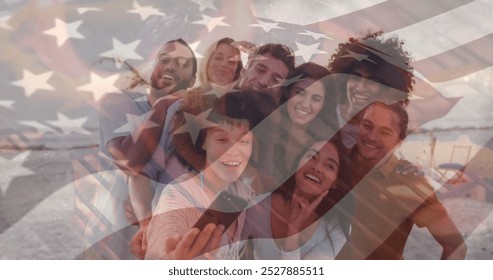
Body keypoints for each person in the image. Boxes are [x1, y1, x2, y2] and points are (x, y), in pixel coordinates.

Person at [84, 38, 197, 259]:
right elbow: (129, 162)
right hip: (109, 240)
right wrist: (162, 105)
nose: (171, 66)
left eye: (182, 63)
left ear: (193, 80)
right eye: (164, 59)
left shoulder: (192, 120)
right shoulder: (118, 102)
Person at [145, 90, 277, 259]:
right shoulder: (177, 197)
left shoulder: (242, 193)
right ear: (202, 141)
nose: (233, 151)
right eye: (222, 139)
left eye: (244, 141)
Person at [336, 101, 467, 259]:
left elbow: (456, 246)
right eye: (367, 125)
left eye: (385, 132)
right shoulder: (334, 162)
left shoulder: (409, 182)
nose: (371, 136)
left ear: (399, 141)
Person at [242, 139, 350, 259]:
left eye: (330, 166)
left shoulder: (337, 226)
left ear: (336, 182)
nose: (317, 167)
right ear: (299, 162)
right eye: (312, 157)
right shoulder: (257, 205)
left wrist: (293, 233)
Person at [328, 31, 414, 149]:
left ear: (387, 88)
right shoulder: (322, 112)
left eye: (372, 81)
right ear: (344, 78)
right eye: (356, 77)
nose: (361, 87)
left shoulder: (378, 138)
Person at [272, 63, 338, 186]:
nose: (306, 104)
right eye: (300, 93)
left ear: (323, 105)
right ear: (288, 92)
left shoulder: (323, 147)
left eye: (316, 99)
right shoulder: (266, 127)